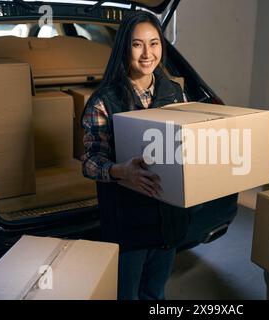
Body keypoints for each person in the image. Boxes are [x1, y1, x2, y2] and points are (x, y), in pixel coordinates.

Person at [81, 10, 189, 300]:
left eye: (154, 43)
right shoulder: (105, 100)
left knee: (155, 293)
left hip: (167, 219)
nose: (147, 54)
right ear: (123, 48)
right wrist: (120, 171)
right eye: (137, 44)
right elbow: (90, 161)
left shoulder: (175, 93)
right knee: (125, 295)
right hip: (128, 222)